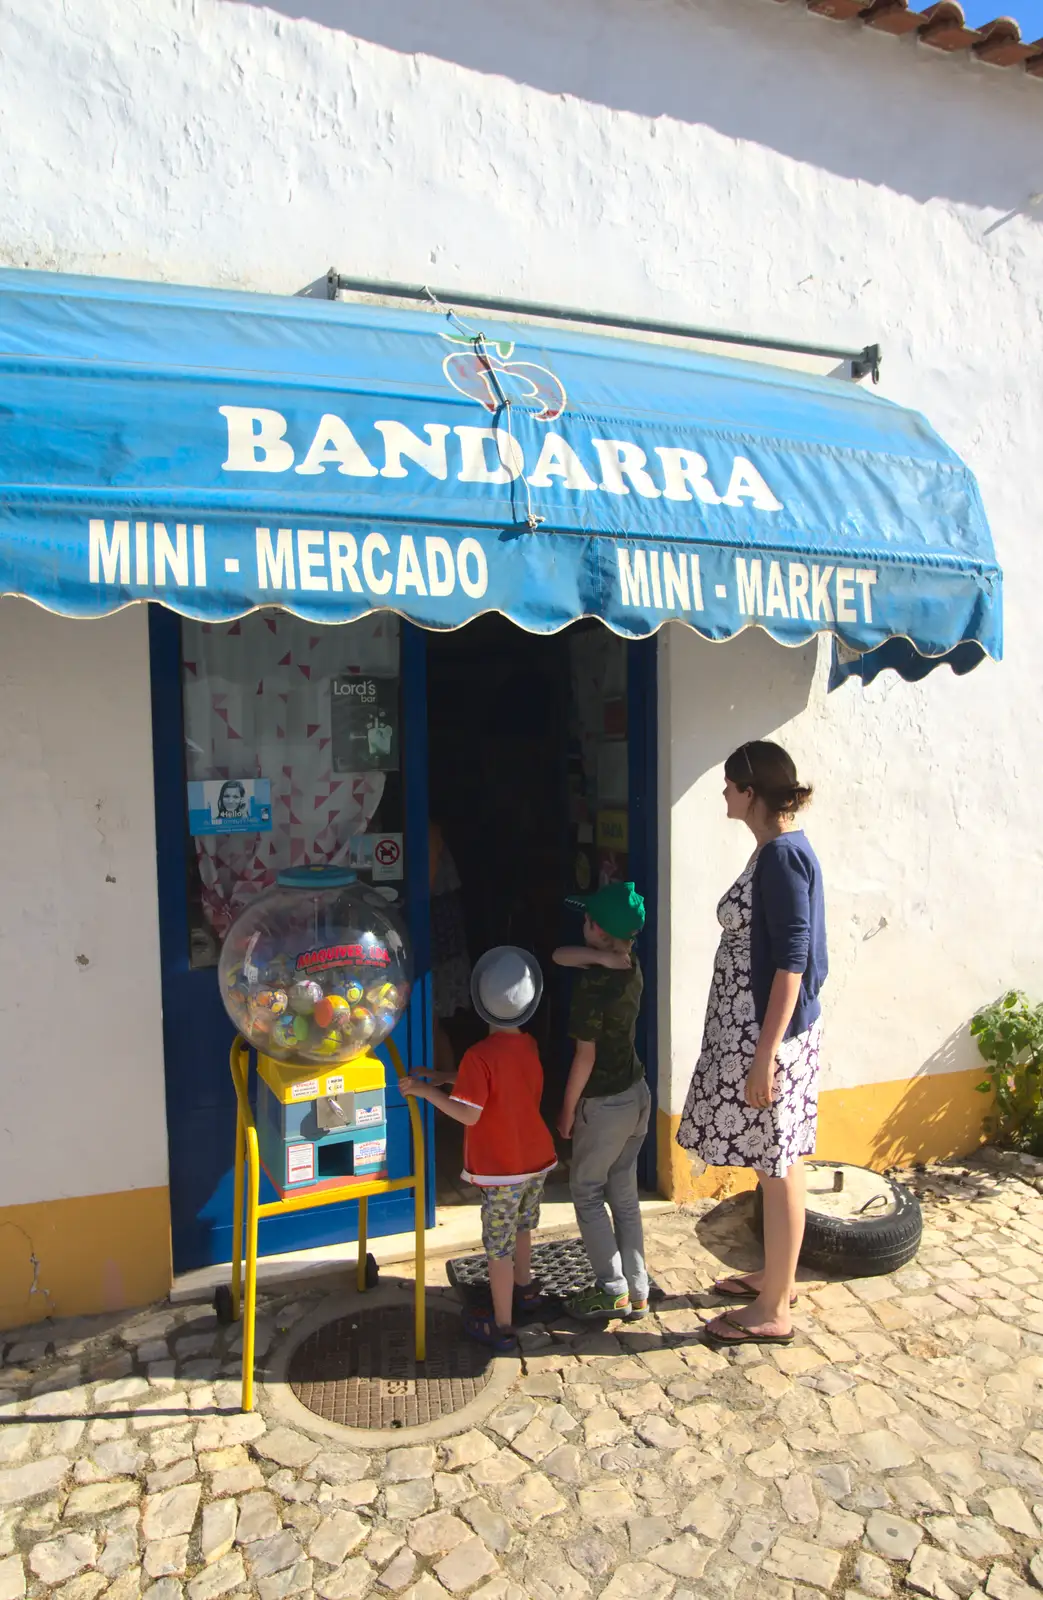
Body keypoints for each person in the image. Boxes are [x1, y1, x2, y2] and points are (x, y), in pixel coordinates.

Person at [677, 739, 827, 1349]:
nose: (721, 794)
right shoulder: (775, 851)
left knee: (778, 1168)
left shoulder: (782, 857)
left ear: (749, 792)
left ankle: (773, 1310)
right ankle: (777, 1277)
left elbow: (792, 962)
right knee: (775, 1166)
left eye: (727, 784)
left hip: (768, 1038)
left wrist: (764, 1056)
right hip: (756, 1032)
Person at [399, 946, 555, 1351]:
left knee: (497, 1248)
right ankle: (526, 1289)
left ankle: (501, 1325)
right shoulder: (530, 1046)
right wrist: (445, 1076)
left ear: (480, 1004)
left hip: (501, 1170)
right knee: (524, 1228)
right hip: (536, 1159)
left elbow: (469, 1114)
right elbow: (496, 1085)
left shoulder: (478, 1055)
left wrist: (426, 1090)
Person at [554, 881, 650, 1320]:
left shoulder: (594, 987)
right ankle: (638, 1288)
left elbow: (584, 1056)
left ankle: (611, 1287)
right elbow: (561, 954)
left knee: (587, 1192)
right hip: (637, 1096)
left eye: (588, 920)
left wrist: (567, 1110)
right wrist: (601, 953)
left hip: (605, 1105)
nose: (582, 923)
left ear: (600, 931)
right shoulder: (631, 965)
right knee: (624, 1195)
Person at [428, 819, 472, 1082]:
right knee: (432, 1021)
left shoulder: (430, 831)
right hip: (437, 920)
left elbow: (427, 880)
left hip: (434, 923)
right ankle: (446, 1090)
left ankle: (444, 1091)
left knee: (431, 1019)